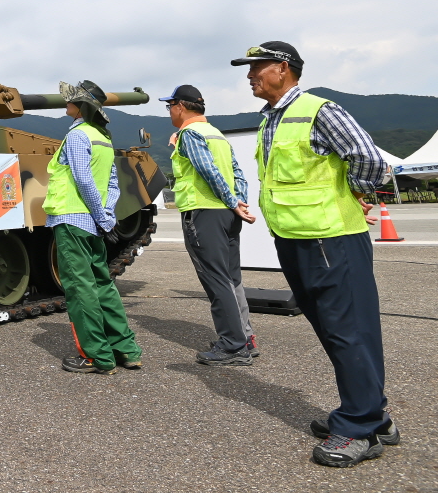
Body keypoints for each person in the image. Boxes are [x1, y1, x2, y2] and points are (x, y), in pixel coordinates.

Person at [231, 42, 398, 468]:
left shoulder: (320, 111)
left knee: (347, 329)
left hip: (331, 239)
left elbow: (370, 161)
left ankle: (360, 426)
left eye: (256, 67)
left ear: (282, 69)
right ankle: (373, 413)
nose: (250, 75)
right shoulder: (272, 119)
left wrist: (356, 191)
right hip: (296, 238)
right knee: (334, 327)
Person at [43, 80, 141, 375]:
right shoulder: (103, 138)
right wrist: (105, 216)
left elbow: (83, 179)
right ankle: (126, 350)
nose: (66, 103)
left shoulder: (76, 135)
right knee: (102, 284)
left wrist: (98, 214)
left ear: (81, 107)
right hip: (94, 225)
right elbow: (112, 184)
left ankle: (97, 356)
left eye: (71, 100)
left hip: (71, 219)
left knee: (80, 287)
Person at [162, 84, 258, 366]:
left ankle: (232, 346)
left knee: (215, 279)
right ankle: (245, 338)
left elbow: (207, 170)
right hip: (227, 215)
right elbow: (237, 172)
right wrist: (238, 202)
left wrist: (230, 201)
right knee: (231, 278)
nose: (169, 111)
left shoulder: (190, 134)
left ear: (180, 106)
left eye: (170, 106)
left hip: (204, 213)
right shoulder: (216, 134)